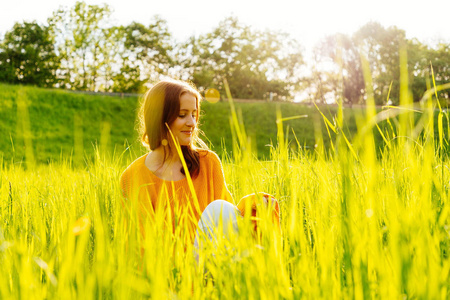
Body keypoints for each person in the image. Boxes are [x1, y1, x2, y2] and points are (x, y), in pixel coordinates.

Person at [119, 79, 280, 248]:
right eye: (182, 115)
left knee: (241, 206)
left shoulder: (208, 163)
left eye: (194, 115)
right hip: (169, 269)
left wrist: (254, 204)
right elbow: (140, 247)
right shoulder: (133, 177)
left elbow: (228, 217)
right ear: (159, 116)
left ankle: (268, 273)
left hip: (213, 262)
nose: (192, 123)